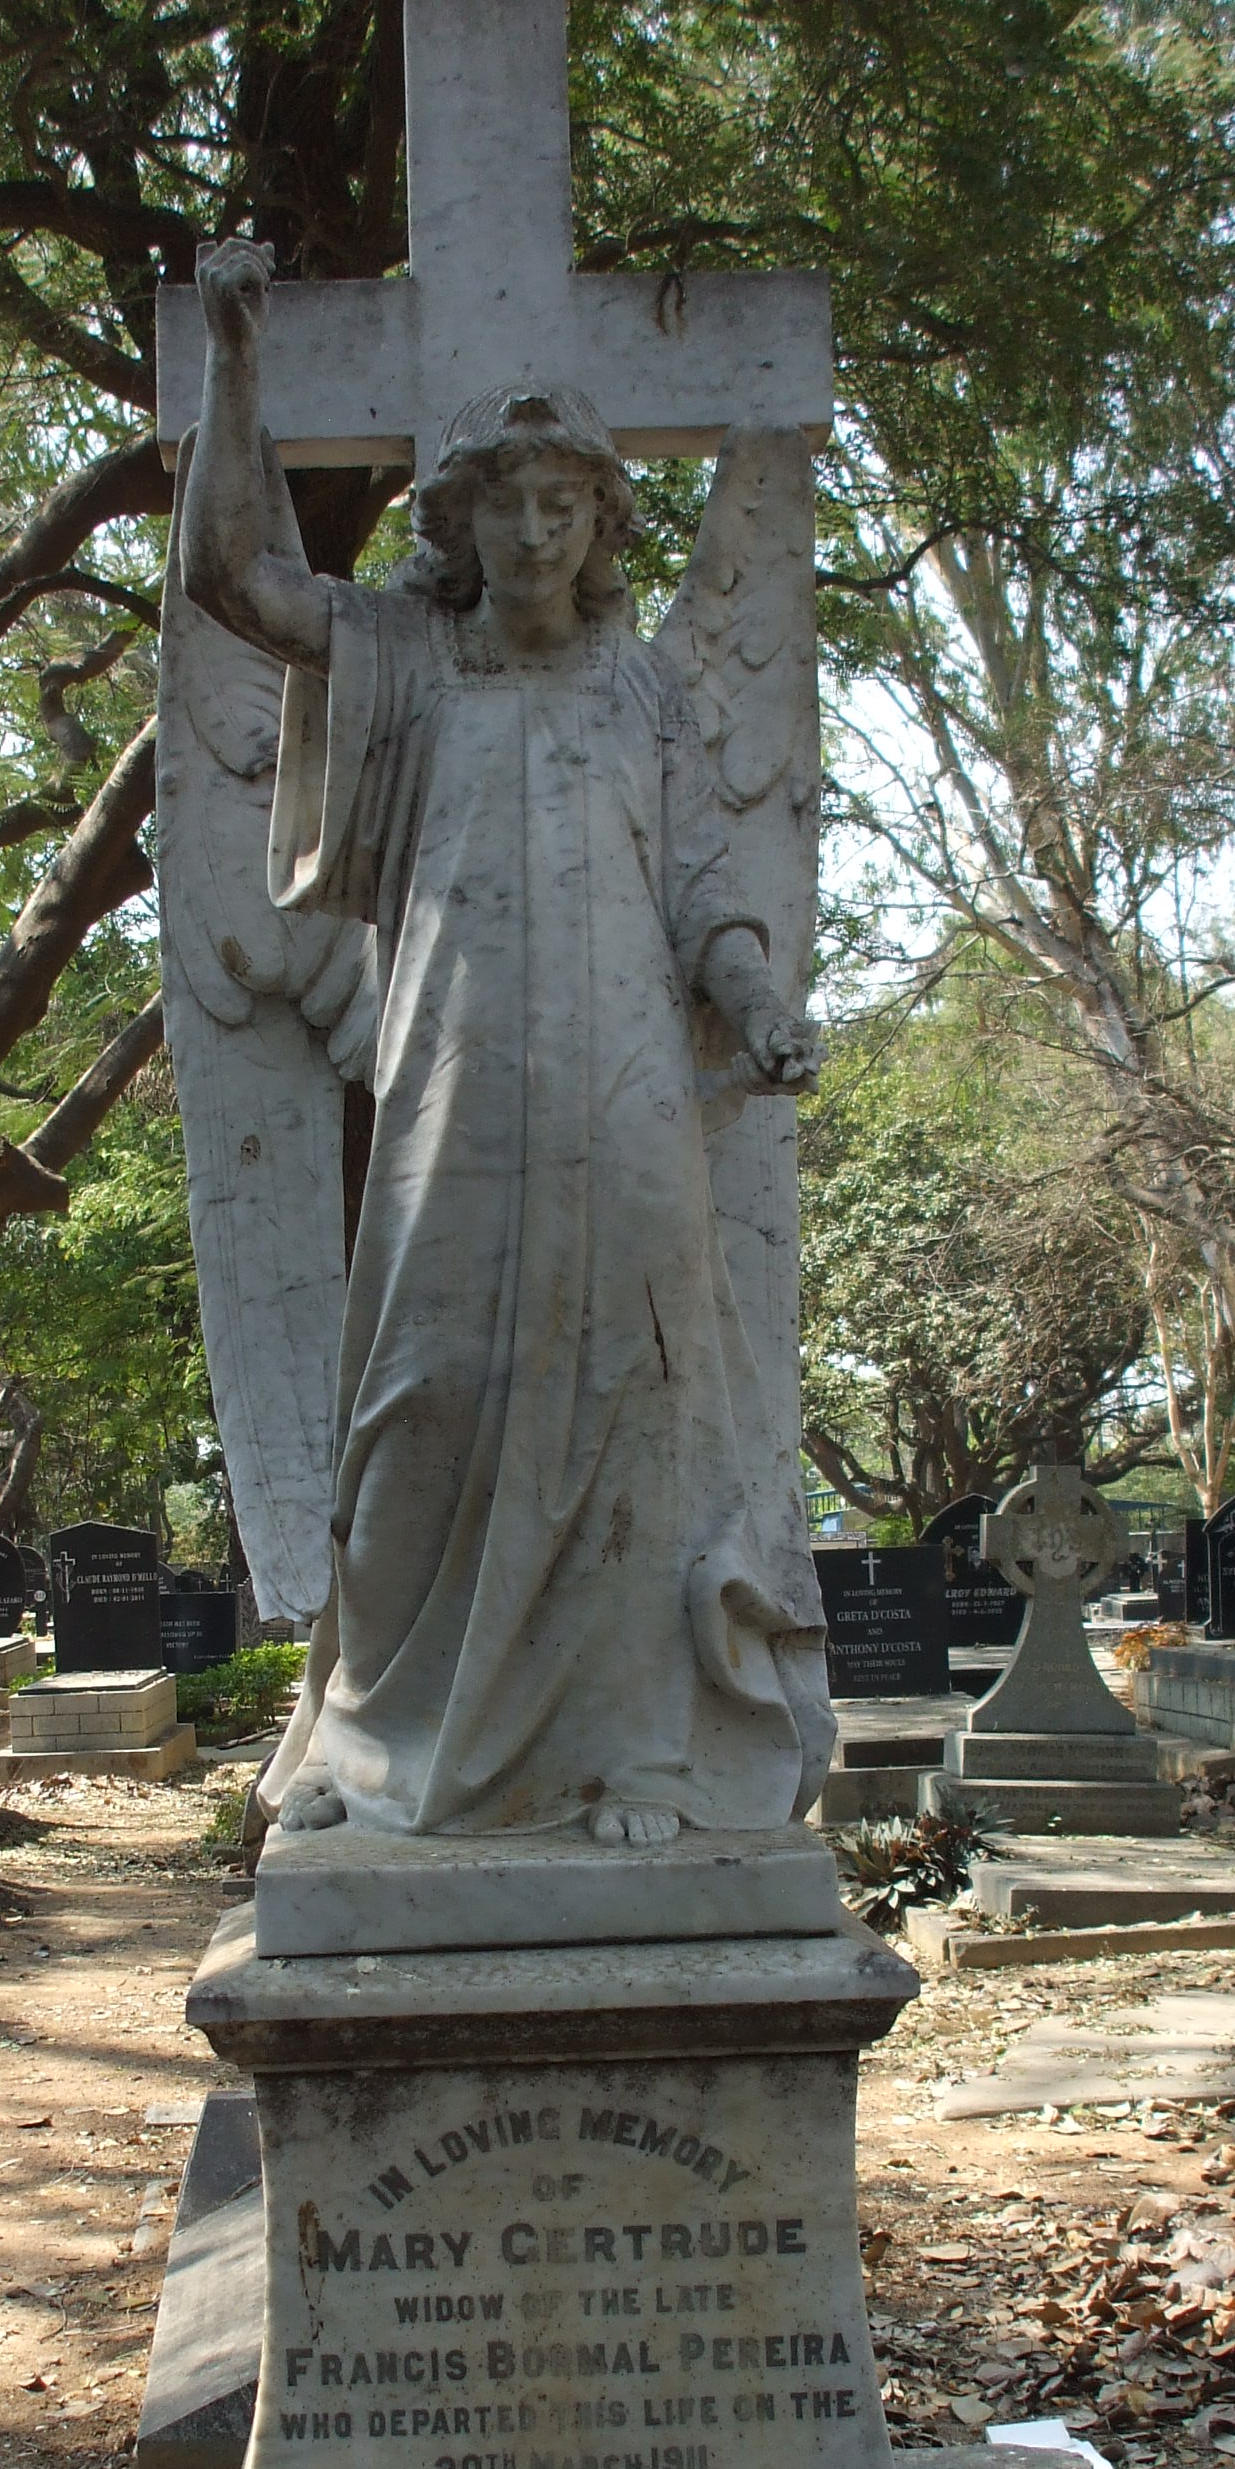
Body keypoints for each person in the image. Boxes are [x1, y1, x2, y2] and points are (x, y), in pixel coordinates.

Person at [182, 237, 834, 1848]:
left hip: (625, 1103)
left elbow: (703, 889)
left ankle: (633, 1758)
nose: (536, 533)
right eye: (507, 505)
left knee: (633, 1412)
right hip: (455, 1103)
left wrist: (758, 1005)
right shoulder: (406, 659)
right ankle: (375, 1739)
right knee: (423, 1403)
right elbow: (237, 585)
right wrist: (237, 357)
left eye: (565, 505)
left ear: (603, 523)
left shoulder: (642, 691)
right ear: (459, 520)